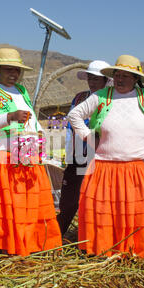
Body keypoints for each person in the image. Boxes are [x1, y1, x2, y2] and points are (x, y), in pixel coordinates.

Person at [68, 54, 144, 258]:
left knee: (138, 209)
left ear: (136, 79)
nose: (120, 79)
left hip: (140, 167)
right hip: (106, 166)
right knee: (109, 210)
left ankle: (139, 246)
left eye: (126, 76)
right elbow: (75, 115)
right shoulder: (102, 96)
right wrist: (87, 137)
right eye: (117, 75)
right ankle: (106, 246)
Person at [0, 48, 62, 257]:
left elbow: (32, 119)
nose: (14, 74)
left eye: (17, 70)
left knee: (23, 205)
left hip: (23, 155)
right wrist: (10, 117)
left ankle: (25, 245)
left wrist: (40, 138)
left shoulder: (20, 91)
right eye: (9, 69)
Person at [58, 60, 112, 236]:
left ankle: (91, 236)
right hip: (77, 155)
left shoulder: (111, 100)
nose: (93, 82)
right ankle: (58, 234)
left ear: (105, 80)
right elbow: (70, 127)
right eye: (90, 78)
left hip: (100, 157)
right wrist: (68, 151)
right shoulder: (80, 98)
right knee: (69, 198)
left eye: (97, 79)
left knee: (95, 198)